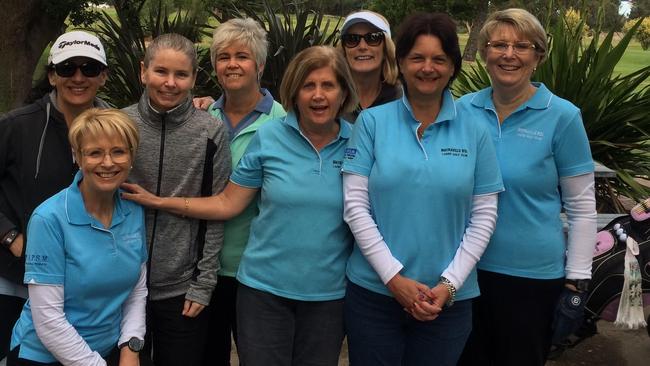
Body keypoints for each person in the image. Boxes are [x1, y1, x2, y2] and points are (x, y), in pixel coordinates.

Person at [122, 45, 358, 366]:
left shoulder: (359, 143)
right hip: (264, 291)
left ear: (343, 92)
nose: (318, 95)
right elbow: (227, 203)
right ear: (295, 91)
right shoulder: (271, 136)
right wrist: (159, 202)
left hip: (328, 296)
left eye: (328, 85)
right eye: (308, 86)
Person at [341, 13, 504, 366]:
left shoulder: (475, 130)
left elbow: (485, 214)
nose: (427, 67)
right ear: (400, 63)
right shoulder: (372, 123)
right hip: (374, 295)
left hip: (446, 299)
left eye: (439, 59)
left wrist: (449, 285)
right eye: (417, 57)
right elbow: (355, 206)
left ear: (452, 67)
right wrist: (394, 279)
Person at [456, 8, 596, 366]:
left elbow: (581, 206)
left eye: (522, 46)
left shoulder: (562, 116)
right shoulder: (461, 111)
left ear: (538, 56)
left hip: (531, 278)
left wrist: (577, 279)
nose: (509, 54)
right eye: (498, 44)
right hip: (462, 271)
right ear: (485, 53)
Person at [0, 30, 110, 360]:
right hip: (17, 279)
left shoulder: (114, 125)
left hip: (85, 286)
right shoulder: (17, 126)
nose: (78, 77)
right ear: (52, 75)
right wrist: (9, 235)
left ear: (103, 77)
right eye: (67, 69)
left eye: (89, 68)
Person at [122, 33, 231, 366]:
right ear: (144, 72)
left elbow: (216, 210)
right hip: (122, 286)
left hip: (181, 290)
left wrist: (203, 284)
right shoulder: (121, 124)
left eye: (181, 75)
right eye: (161, 72)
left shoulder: (210, 131)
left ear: (194, 79)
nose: (170, 83)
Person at [8, 108, 147, 366]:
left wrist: (131, 346)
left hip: (110, 348)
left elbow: (136, 290)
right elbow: (48, 319)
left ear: (131, 156)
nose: (107, 162)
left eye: (118, 151)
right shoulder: (49, 219)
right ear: (78, 157)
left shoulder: (133, 210)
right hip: (45, 355)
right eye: (95, 153)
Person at [201, 18, 285, 365]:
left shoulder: (282, 124)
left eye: (242, 56)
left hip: (256, 272)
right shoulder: (202, 117)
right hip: (204, 270)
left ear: (260, 65)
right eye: (223, 57)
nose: (232, 64)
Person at [338, 10, 401, 122]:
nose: (362, 47)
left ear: (386, 49)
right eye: (352, 39)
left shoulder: (403, 100)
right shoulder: (330, 97)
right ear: (344, 50)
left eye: (373, 38)